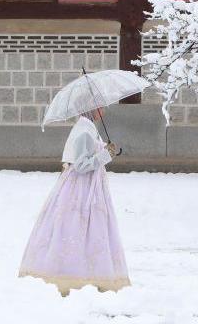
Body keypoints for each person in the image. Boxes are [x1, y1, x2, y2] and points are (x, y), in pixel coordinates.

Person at [18, 107, 130, 295]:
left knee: (86, 226)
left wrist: (104, 148)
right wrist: (105, 155)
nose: (103, 110)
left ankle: (88, 274)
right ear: (91, 109)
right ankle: (74, 276)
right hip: (81, 188)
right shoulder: (84, 131)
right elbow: (81, 164)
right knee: (78, 226)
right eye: (100, 106)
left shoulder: (87, 128)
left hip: (88, 186)